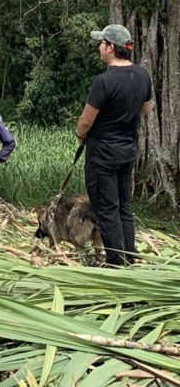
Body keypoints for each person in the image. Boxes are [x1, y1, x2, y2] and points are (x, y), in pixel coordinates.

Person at [75, 23, 152, 266]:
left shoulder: (103, 81)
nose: (99, 47)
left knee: (107, 210)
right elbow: (146, 108)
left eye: (101, 43)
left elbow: (86, 120)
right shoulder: (142, 75)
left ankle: (117, 262)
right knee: (123, 208)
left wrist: (80, 134)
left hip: (102, 156)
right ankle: (129, 255)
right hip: (127, 152)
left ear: (110, 47)